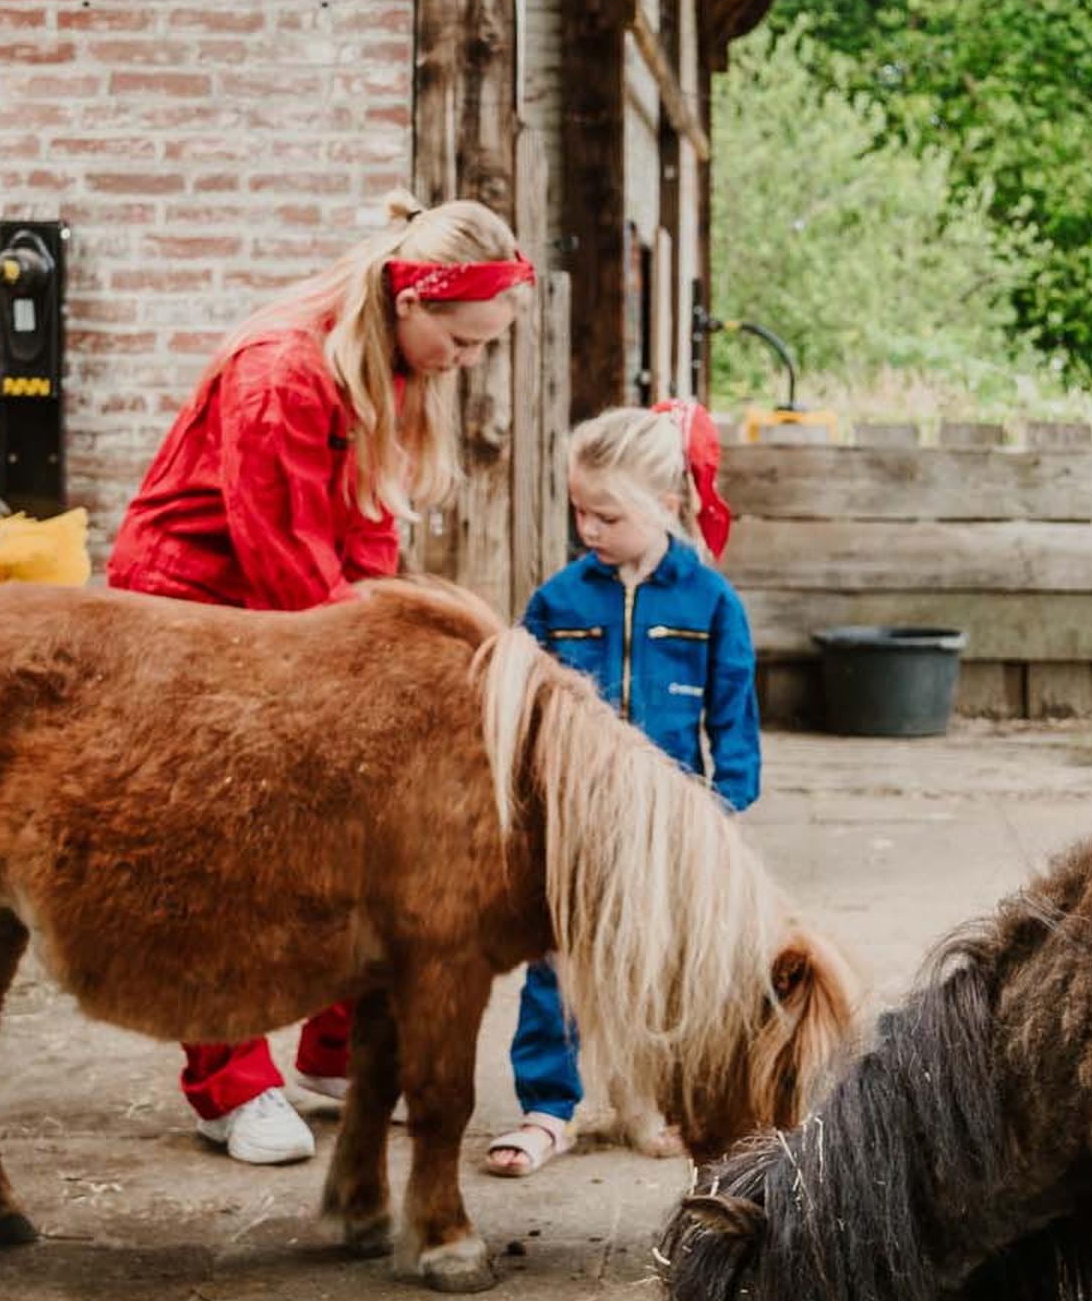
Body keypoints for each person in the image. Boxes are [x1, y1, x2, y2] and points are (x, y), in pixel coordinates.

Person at [104, 198, 529, 1164]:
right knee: (225, 848)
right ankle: (228, 1086)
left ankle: (336, 1050)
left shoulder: (392, 367)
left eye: (483, 346)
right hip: (192, 608)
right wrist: (375, 667)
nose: (467, 362)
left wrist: (398, 636)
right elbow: (286, 563)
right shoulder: (280, 376)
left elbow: (366, 534)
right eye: (462, 341)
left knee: (360, 820)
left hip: (291, 596)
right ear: (412, 301)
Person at [483, 402, 758, 1176]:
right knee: (556, 960)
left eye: (607, 516)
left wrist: (725, 804)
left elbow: (734, 711)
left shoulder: (711, 602)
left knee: (661, 963)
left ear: (664, 506)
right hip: (574, 817)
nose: (589, 530)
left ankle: (650, 1100)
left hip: (670, 823)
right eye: (580, 512)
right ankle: (549, 1108)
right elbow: (524, 708)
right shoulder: (558, 600)